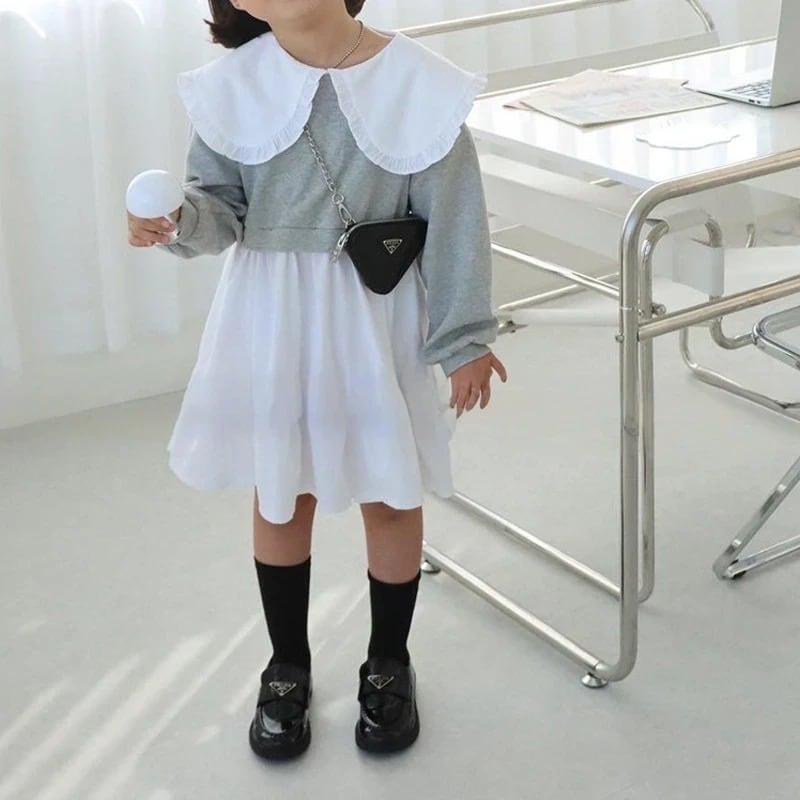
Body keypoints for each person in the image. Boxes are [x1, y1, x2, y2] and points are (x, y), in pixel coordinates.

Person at [127, 0, 507, 760]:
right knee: (282, 490)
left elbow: (455, 217)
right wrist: (174, 220)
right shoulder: (230, 87)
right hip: (273, 317)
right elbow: (220, 211)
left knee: (390, 491)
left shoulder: (419, 81)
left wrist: (463, 336)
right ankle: (287, 665)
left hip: (377, 317)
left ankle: (389, 661)